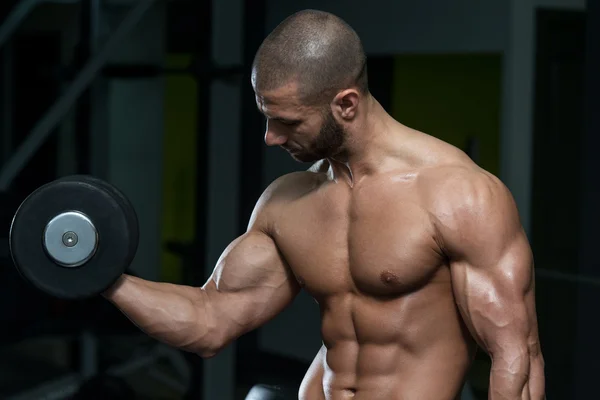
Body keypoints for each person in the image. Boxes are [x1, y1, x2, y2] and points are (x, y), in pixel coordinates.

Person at [103, 9, 545, 400]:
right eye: (266, 117)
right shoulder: (287, 201)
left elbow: (517, 359)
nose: (270, 137)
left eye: (288, 121)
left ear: (346, 105)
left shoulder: (457, 194)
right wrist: (101, 277)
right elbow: (209, 320)